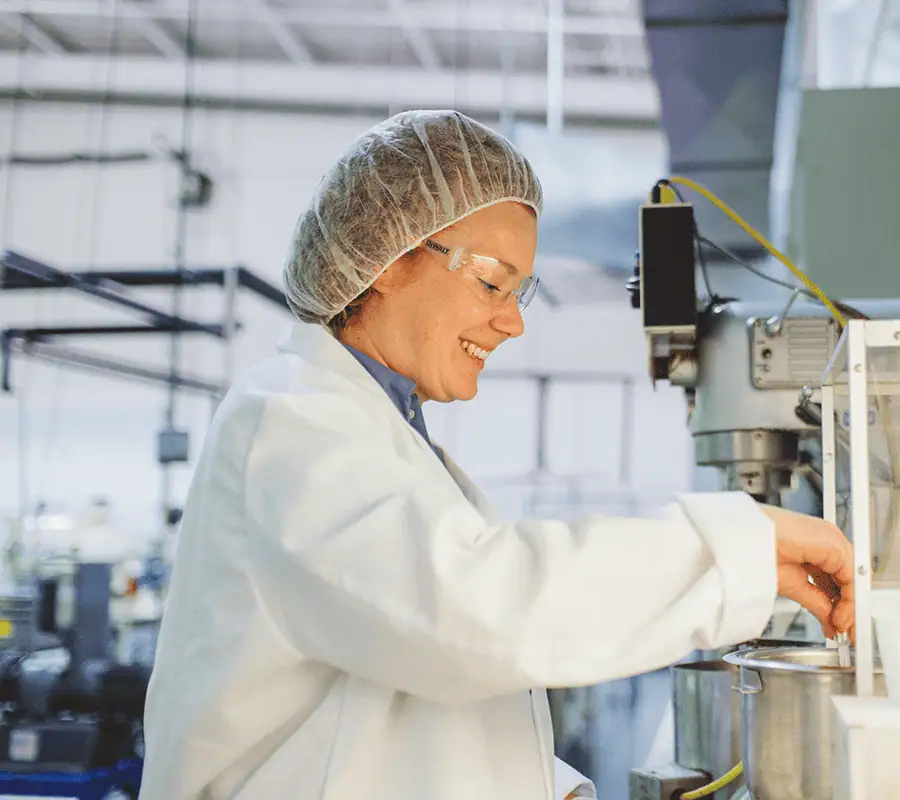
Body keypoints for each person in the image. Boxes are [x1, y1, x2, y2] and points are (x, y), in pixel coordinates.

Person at [140, 110, 855, 800]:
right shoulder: (291, 423)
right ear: (385, 259)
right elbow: (473, 614)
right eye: (490, 281)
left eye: (521, 292)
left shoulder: (387, 439)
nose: (513, 322)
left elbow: (404, 686)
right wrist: (740, 548)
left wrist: (550, 785)